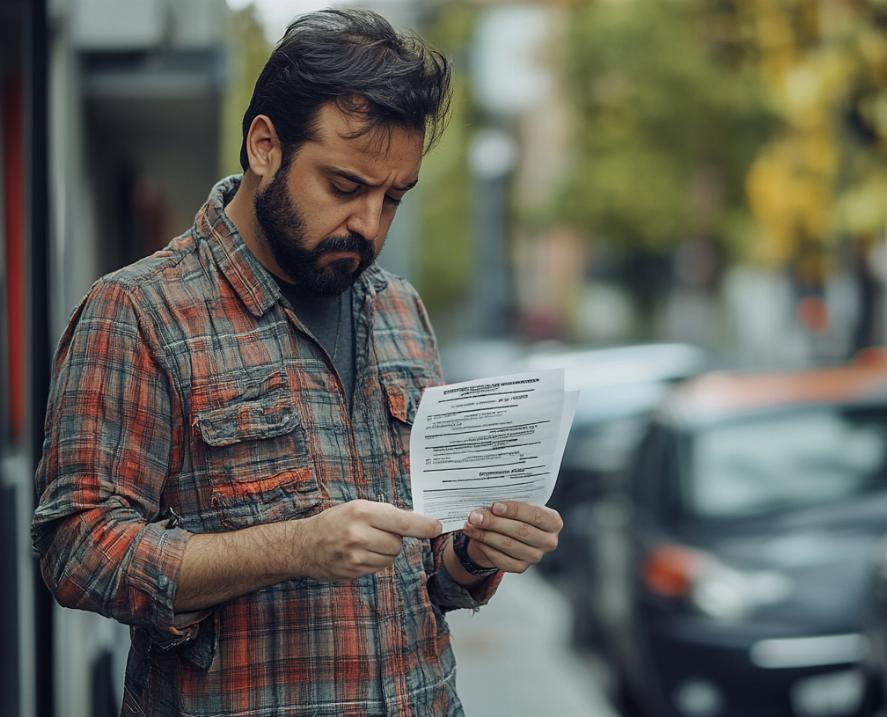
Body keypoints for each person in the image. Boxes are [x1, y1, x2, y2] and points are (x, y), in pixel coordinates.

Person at [31, 10, 562, 716]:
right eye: (345, 187)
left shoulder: (402, 309)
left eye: (394, 198)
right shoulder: (137, 310)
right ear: (264, 147)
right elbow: (77, 550)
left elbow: (424, 569)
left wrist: (475, 552)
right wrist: (293, 548)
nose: (370, 224)